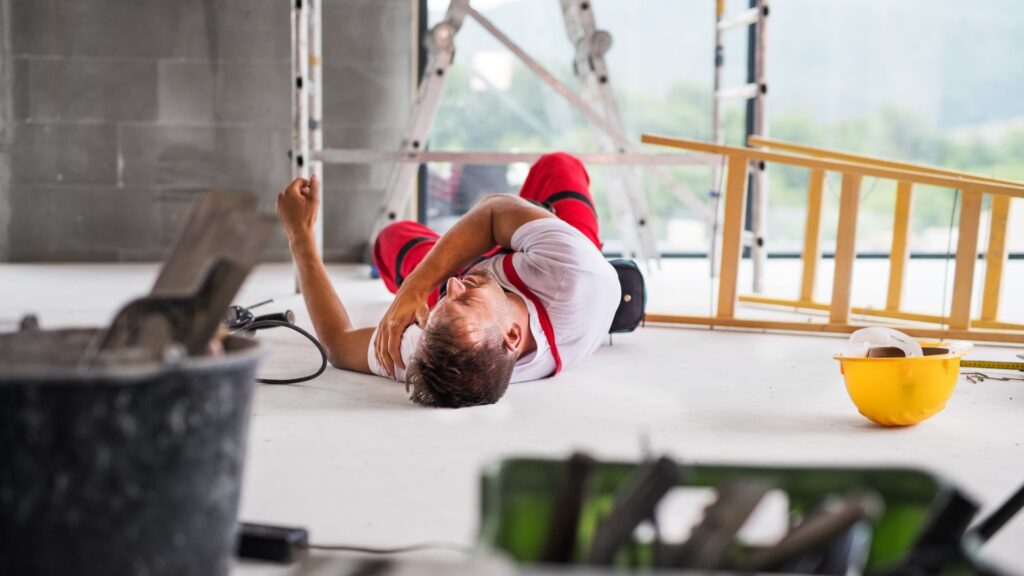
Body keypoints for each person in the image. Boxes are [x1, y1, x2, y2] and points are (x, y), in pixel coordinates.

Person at [276, 153, 621, 408]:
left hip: (496, 274)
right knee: (558, 165)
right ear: (512, 335)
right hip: (555, 261)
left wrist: (299, 234)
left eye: (443, 306)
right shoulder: (574, 272)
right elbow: (493, 209)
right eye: (464, 302)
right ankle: (530, 219)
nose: (454, 287)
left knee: (391, 238)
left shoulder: (434, 348)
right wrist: (419, 286)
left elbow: (338, 344)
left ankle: (504, 230)